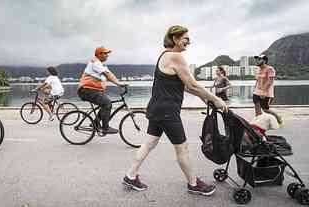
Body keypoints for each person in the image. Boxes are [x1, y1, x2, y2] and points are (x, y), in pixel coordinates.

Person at [122, 25, 228, 196]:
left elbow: (185, 87)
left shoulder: (163, 56)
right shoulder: (176, 56)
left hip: (156, 108)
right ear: (175, 39)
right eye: (186, 38)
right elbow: (192, 84)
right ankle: (193, 184)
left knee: (150, 143)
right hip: (167, 112)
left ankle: (130, 175)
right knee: (182, 147)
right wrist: (216, 99)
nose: (189, 42)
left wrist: (206, 99)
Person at [77, 46, 127, 134]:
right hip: (86, 90)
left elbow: (109, 74)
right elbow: (107, 75)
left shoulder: (101, 64)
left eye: (107, 53)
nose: (107, 55)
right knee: (107, 103)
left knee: (106, 104)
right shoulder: (95, 62)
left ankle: (95, 123)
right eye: (105, 53)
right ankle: (105, 128)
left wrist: (119, 82)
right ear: (99, 54)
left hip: (92, 90)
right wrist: (118, 84)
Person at [253, 54, 283, 126]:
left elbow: (270, 81)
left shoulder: (270, 69)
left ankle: (278, 118)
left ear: (264, 60)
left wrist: (263, 92)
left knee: (265, 109)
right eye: (257, 59)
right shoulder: (257, 69)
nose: (257, 61)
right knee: (257, 108)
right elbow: (257, 80)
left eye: (259, 59)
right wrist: (255, 89)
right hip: (256, 92)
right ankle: (258, 124)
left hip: (266, 93)